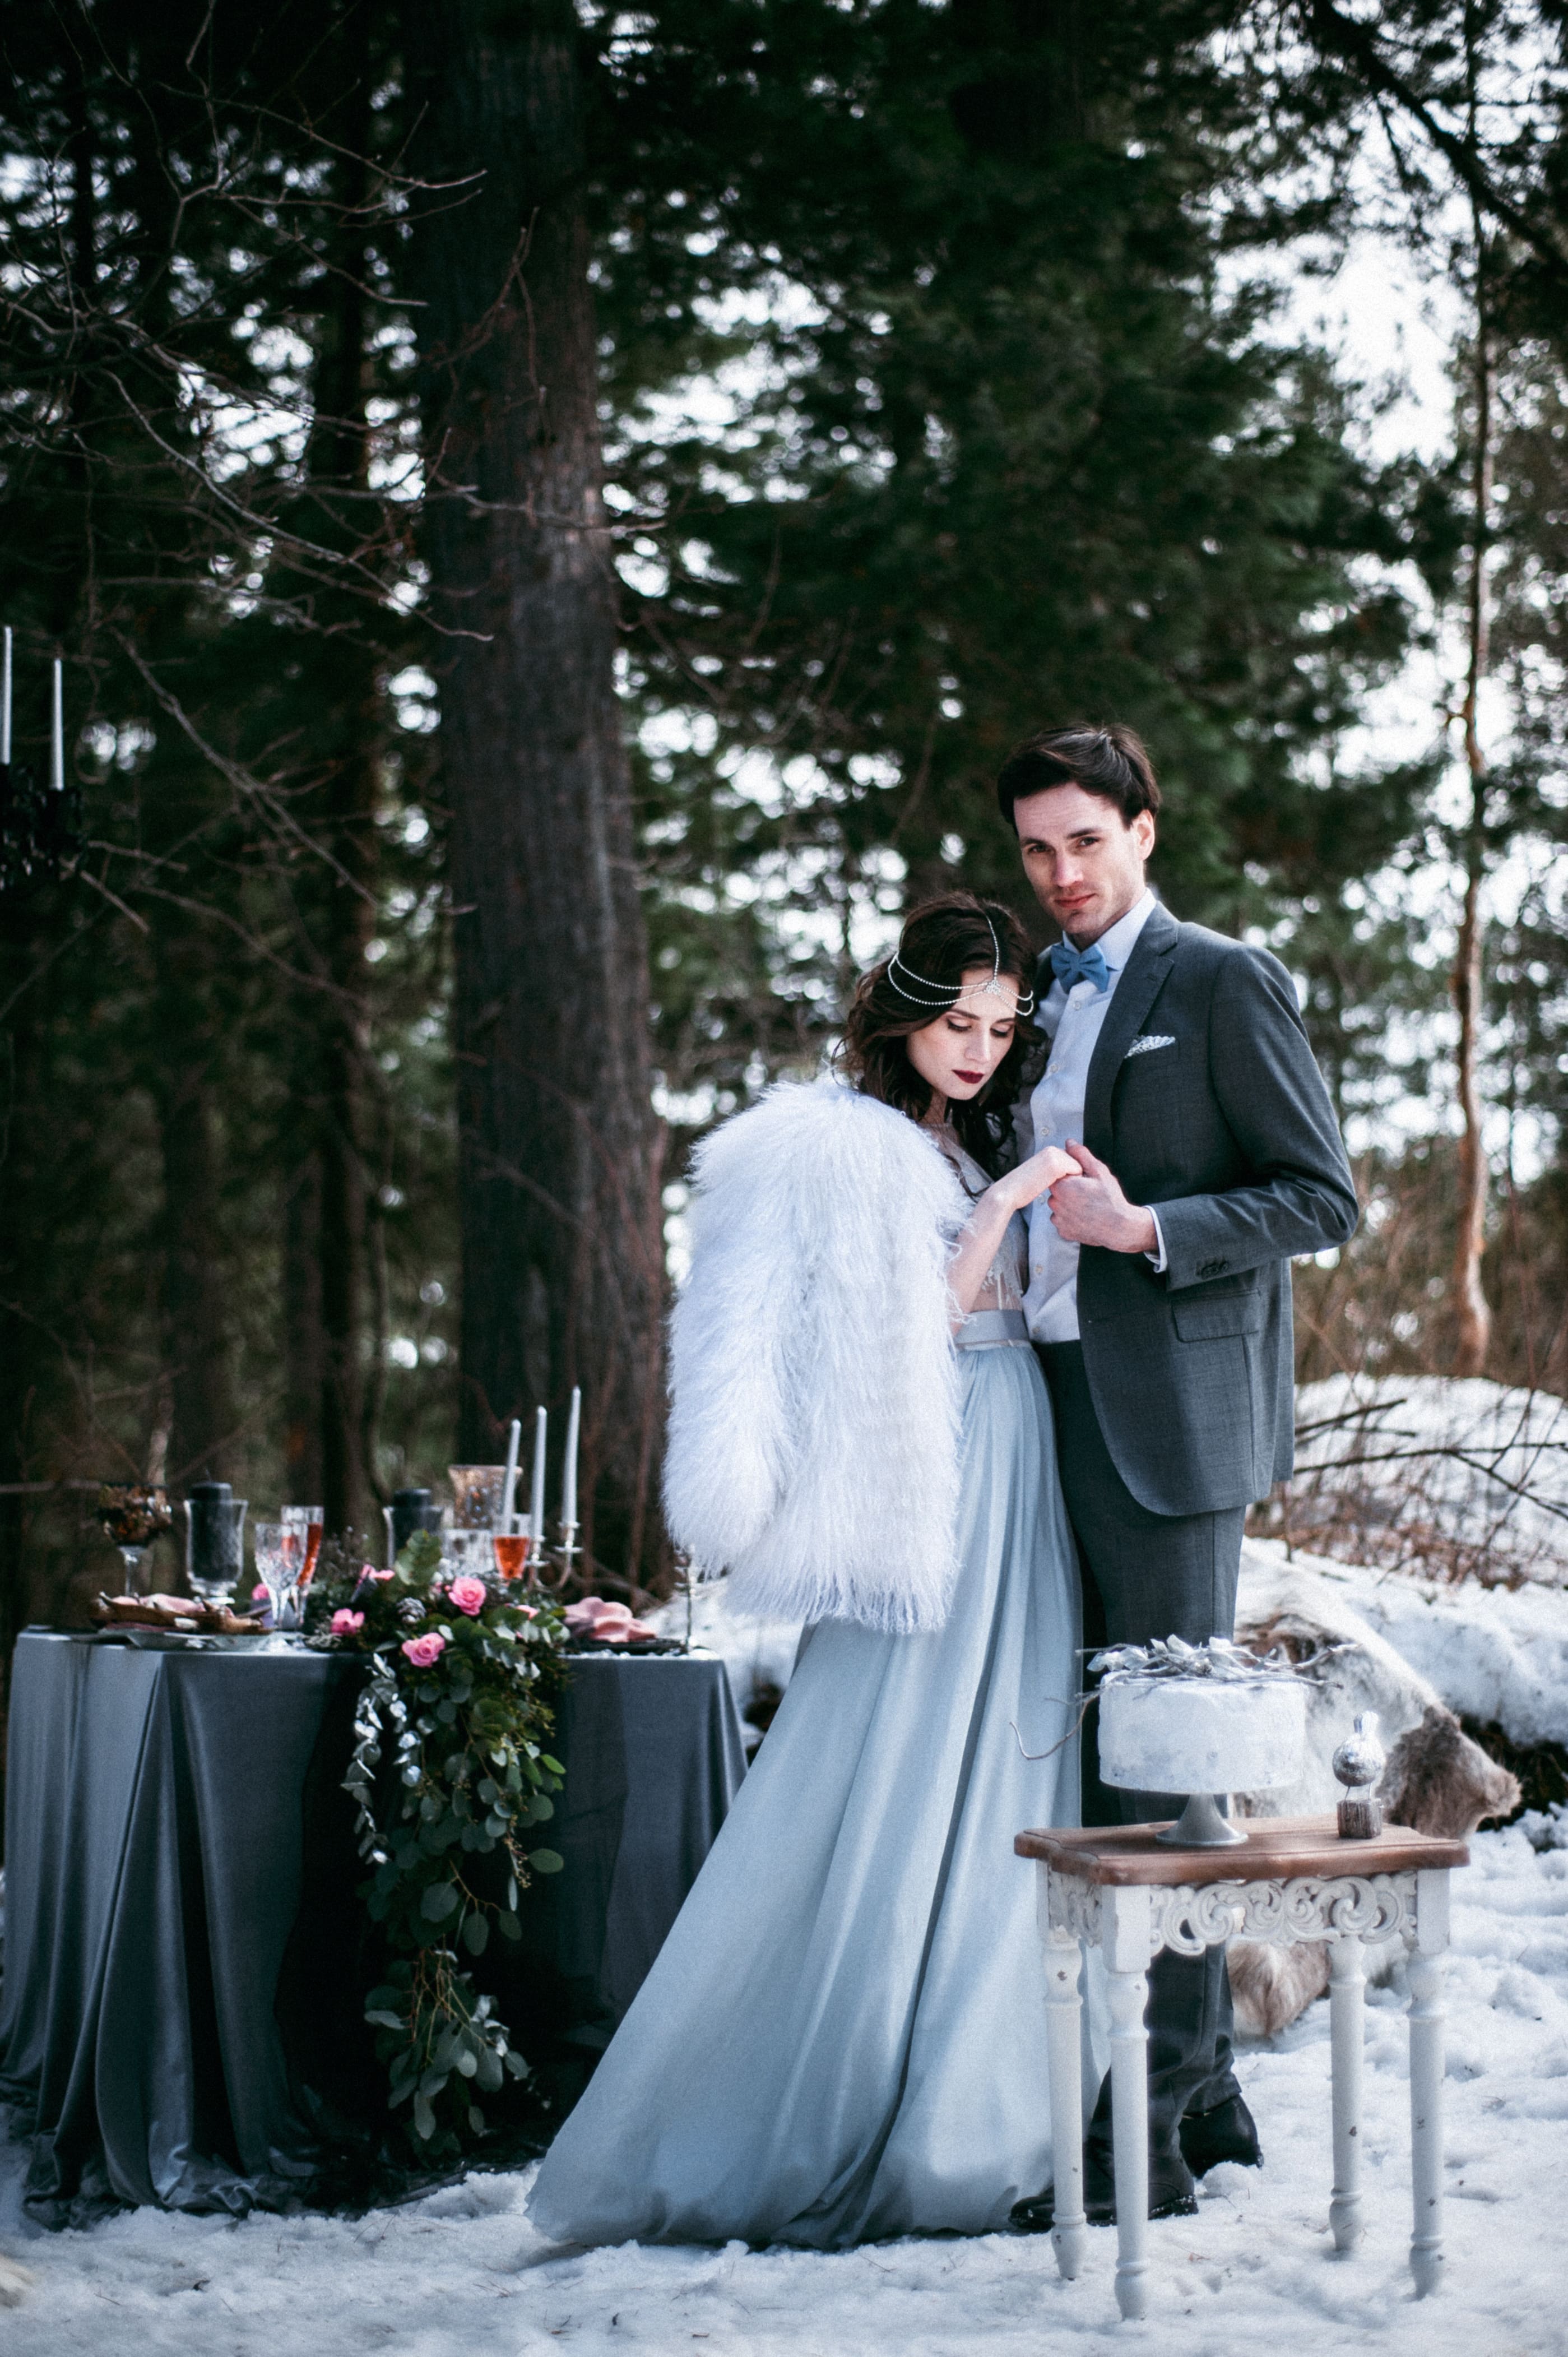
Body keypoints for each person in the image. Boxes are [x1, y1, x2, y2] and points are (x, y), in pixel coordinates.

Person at [527, 894, 1087, 2249]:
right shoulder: (846, 1145)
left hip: (1019, 1450)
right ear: (902, 1015)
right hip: (928, 1460)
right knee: (875, 1762)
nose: (979, 1048)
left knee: (1008, 1765)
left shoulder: (973, 1135)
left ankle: (975, 2096)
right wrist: (1005, 1204)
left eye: (1000, 1027)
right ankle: (799, 2091)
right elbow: (905, 1329)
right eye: (957, 1023)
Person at [997, 723, 1359, 2232]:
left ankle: (1147, 2117)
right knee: (1097, 1764)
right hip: (1033, 1405)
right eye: (1036, 848)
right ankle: (1200, 2089)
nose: (1061, 872)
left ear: (1142, 830)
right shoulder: (1026, 993)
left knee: (1164, 1763)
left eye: (1084, 840)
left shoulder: (1218, 979)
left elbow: (1318, 1194)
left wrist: (1147, 1229)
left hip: (1169, 1423)